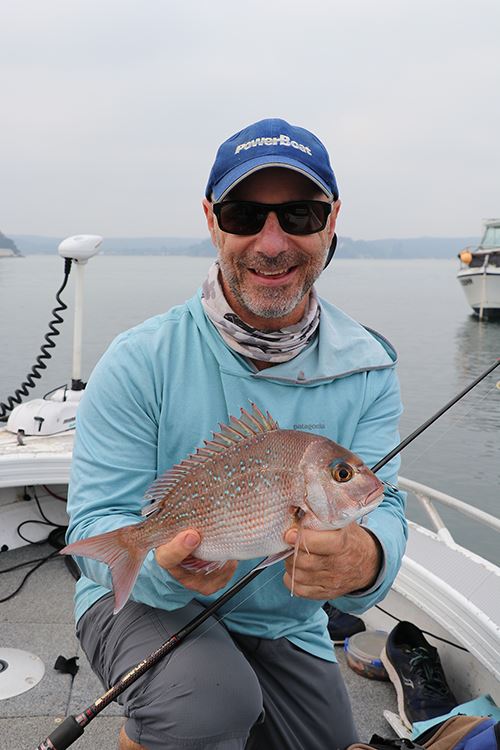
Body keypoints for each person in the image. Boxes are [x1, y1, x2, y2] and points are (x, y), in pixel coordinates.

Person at [67, 118, 407, 750]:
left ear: (332, 219)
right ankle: (161, 720)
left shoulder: (370, 366)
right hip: (145, 602)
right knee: (207, 704)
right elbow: (95, 522)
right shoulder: (139, 360)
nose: (272, 243)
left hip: (284, 623)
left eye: (300, 215)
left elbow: (384, 502)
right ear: (211, 219)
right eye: (245, 214)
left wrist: (365, 561)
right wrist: (167, 569)